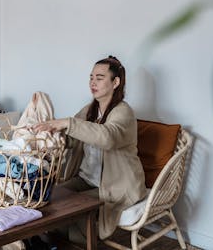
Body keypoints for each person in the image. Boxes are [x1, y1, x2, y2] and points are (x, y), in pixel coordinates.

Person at [31, 55, 146, 243]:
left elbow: (106, 137)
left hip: (114, 185)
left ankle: (64, 239)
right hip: (85, 179)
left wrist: (67, 123)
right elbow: (71, 136)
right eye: (91, 77)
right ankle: (44, 239)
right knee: (47, 198)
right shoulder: (89, 110)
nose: (93, 82)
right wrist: (45, 133)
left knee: (67, 211)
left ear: (115, 82)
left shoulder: (123, 112)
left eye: (99, 78)